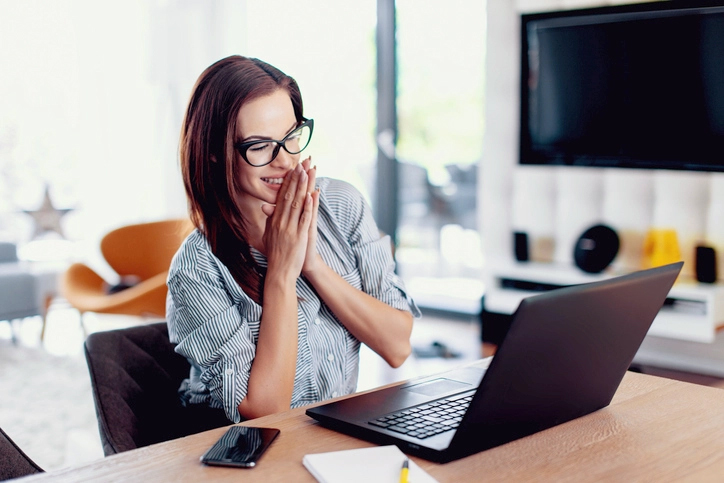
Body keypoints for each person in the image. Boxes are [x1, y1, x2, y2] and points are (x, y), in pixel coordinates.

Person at [167, 55, 420, 423]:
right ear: (212, 154)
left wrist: (313, 265)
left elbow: (397, 346)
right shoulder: (195, 270)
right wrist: (282, 274)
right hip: (242, 457)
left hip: (331, 438)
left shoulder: (341, 206)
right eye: (259, 146)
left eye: (291, 137)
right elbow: (265, 415)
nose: (284, 161)